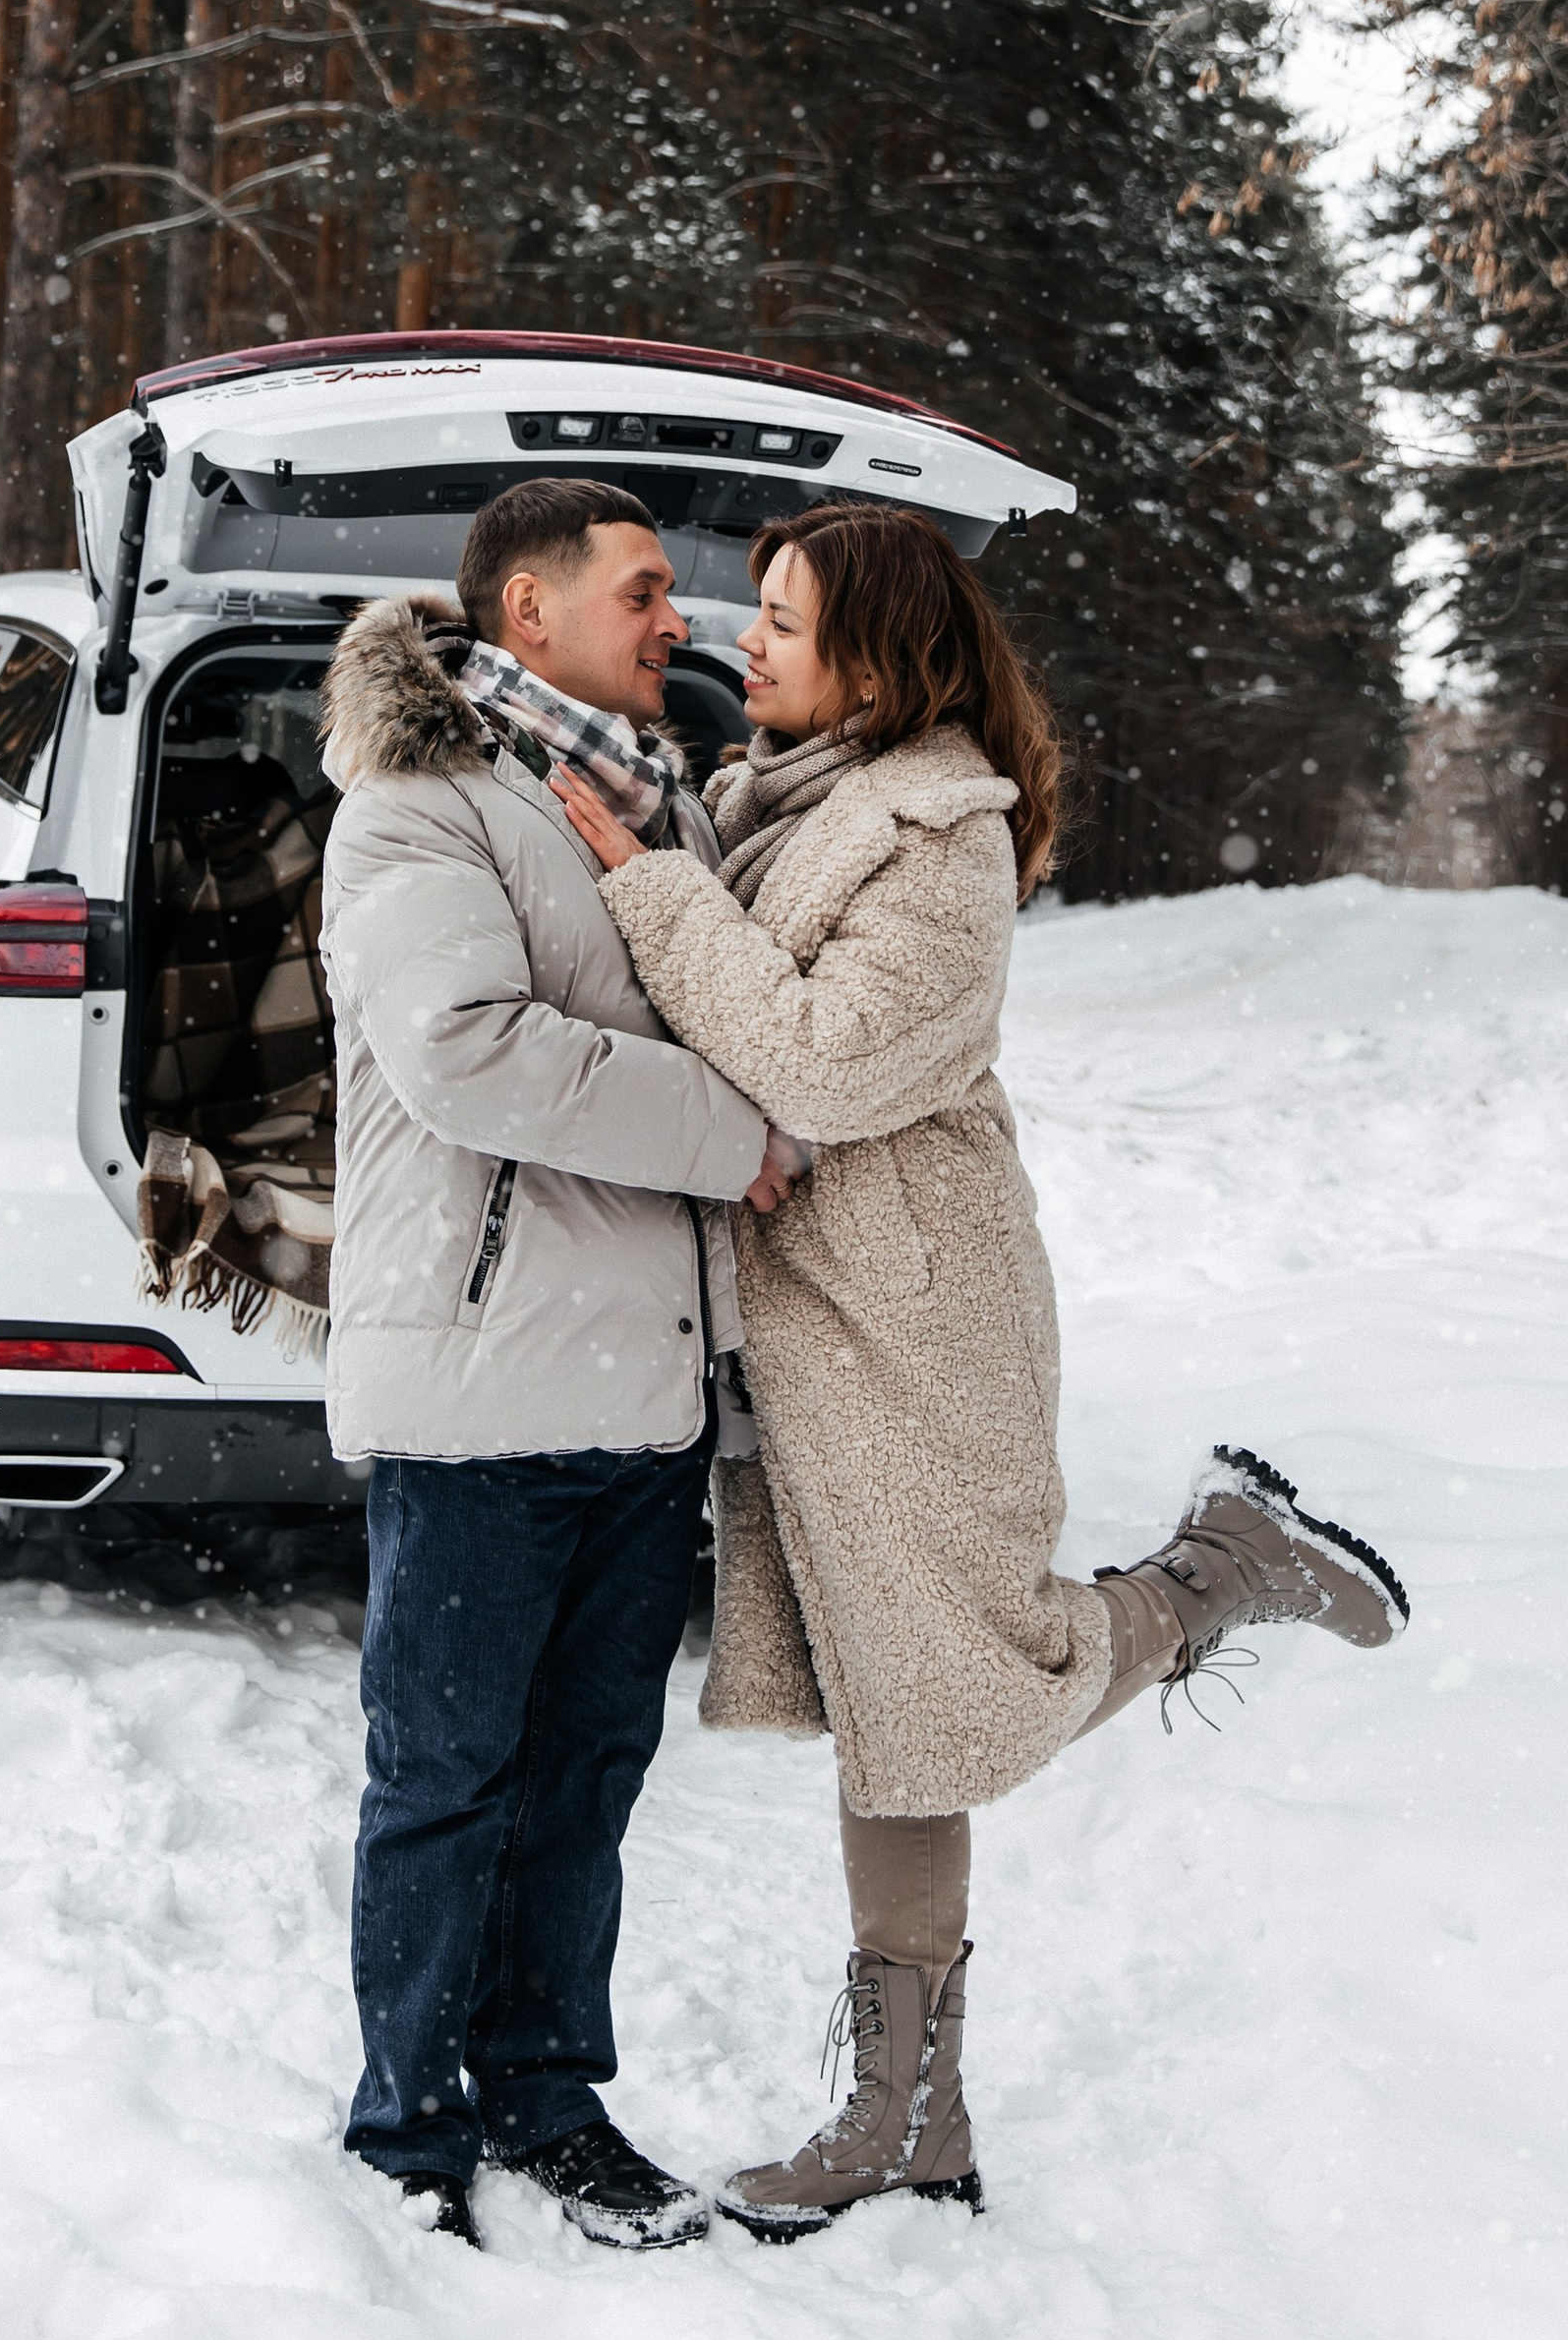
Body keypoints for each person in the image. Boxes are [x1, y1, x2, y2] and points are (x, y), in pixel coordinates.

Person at [551, 497, 1408, 2242]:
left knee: (949, 1690)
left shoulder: (936, 838)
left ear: (878, 657)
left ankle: (1212, 1578)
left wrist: (646, 885)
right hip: (810, 1320)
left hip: (915, 1323)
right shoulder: (769, 796)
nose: (746, 640)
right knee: (901, 1717)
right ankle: (909, 2124)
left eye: (782, 619)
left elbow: (821, 1059)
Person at [318, 475, 800, 2252]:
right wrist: (730, 1122)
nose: (685, 617)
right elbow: (464, 1050)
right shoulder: (420, 808)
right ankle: (410, 2129)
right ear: (529, 615)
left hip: (649, 1391)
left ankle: (546, 2094)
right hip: (488, 1380)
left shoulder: (663, 801)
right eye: (649, 588)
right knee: (447, 1779)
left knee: (589, 1776)